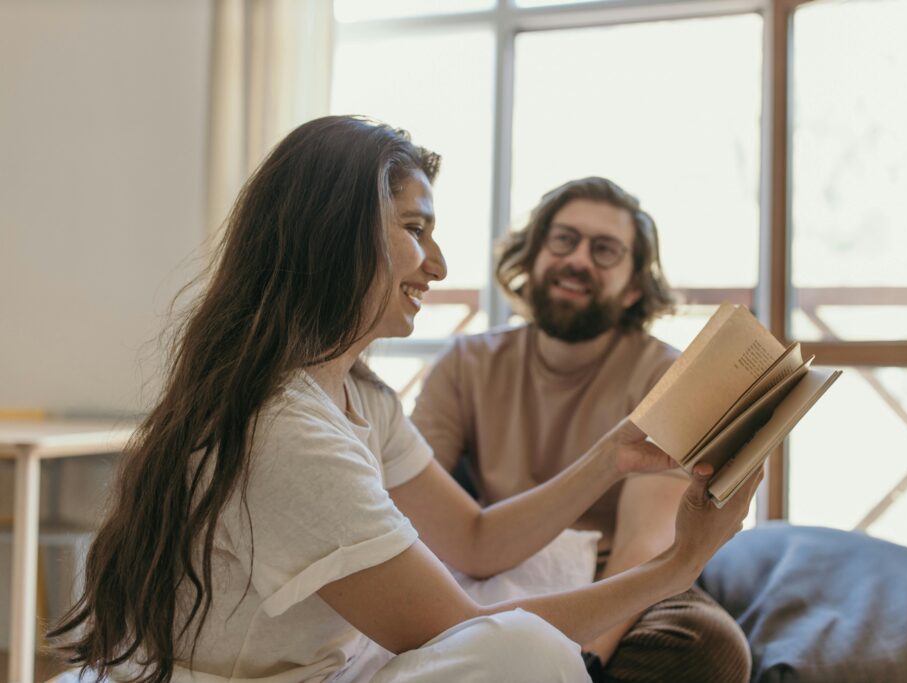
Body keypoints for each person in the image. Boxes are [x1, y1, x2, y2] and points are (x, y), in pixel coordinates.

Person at [49, 117, 759, 683]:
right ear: (337, 237)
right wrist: (676, 566)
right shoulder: (287, 428)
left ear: (635, 283)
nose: (440, 264)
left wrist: (609, 458)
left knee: (672, 642)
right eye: (416, 231)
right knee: (528, 654)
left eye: (604, 252)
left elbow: (476, 540)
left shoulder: (360, 395)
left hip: (356, 647)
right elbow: (464, 630)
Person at [412, 176, 752, 682]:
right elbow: (415, 507)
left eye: (605, 250)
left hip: (618, 580)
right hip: (491, 567)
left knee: (707, 646)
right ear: (532, 257)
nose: (579, 260)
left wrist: (585, 660)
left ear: (635, 285)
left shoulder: (667, 378)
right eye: (564, 240)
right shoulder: (466, 363)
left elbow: (645, 544)